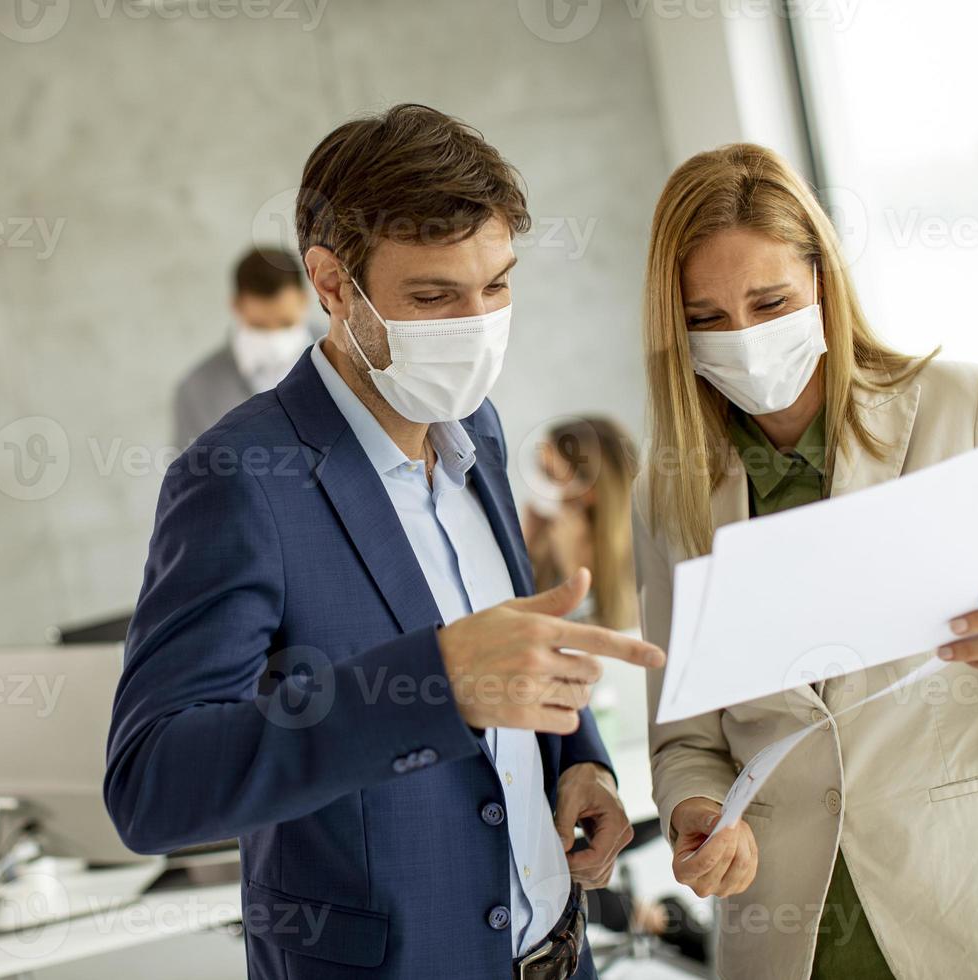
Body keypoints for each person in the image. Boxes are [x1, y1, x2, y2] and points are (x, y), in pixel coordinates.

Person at [105, 104, 665, 980]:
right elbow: (151, 786)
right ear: (331, 285)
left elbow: (506, 644)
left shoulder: (475, 424)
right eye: (434, 296)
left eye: (498, 286)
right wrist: (434, 684)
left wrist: (579, 763)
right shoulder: (241, 479)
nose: (476, 325)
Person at [634, 143, 978, 979]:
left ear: (822, 282)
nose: (743, 338)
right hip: (802, 936)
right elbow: (684, 741)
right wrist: (699, 813)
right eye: (707, 319)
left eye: (771, 302)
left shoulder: (963, 407)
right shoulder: (669, 494)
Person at [171, 246, 322, 449]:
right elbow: (189, 475)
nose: (274, 339)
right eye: (259, 325)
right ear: (236, 306)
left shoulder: (347, 359)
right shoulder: (197, 390)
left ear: (305, 300)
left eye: (286, 323)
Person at [524, 416, 640, 631]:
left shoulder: (639, 567)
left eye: (549, 473)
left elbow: (599, 645)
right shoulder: (543, 541)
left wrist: (573, 573)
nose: (536, 484)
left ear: (589, 492)